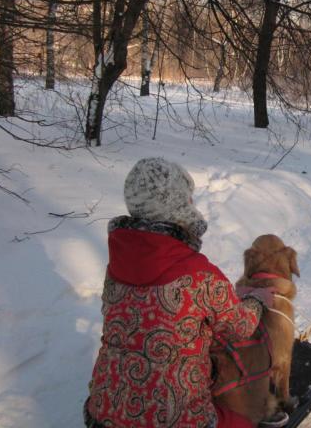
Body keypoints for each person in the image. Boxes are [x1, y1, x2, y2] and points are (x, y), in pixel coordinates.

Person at [84, 157, 275, 428]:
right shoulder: (198, 273)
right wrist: (256, 300)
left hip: (103, 413)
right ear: (179, 206)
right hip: (176, 419)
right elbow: (239, 327)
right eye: (188, 199)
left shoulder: (116, 267)